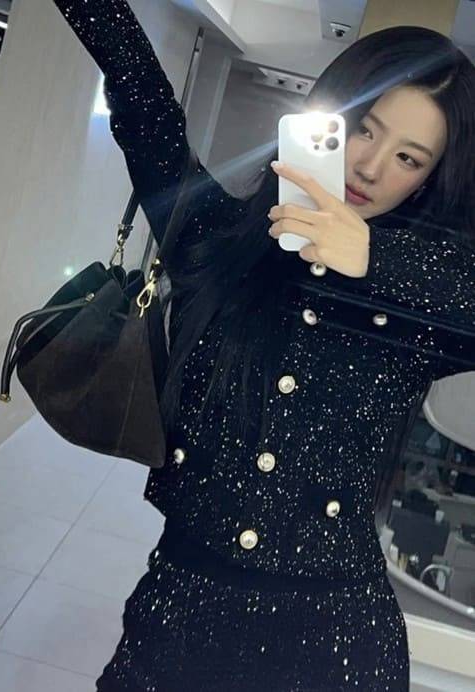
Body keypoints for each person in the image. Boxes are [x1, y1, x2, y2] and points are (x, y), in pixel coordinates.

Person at [51, 2, 475, 690]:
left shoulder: (417, 307)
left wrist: (378, 263)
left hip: (337, 642)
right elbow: (146, 109)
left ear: (429, 179)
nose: (369, 167)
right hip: (178, 614)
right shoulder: (214, 239)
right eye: (362, 129)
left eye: (407, 158)